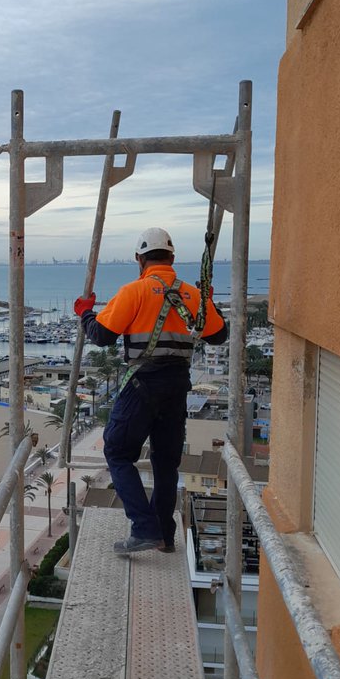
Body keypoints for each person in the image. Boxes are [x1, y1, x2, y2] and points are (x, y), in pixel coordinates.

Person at [73, 227, 228, 556]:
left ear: (139, 259)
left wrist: (85, 312)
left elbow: (101, 335)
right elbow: (218, 335)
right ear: (172, 257)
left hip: (143, 383)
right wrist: (208, 301)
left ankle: (144, 528)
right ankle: (164, 535)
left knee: (117, 451)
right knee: (165, 462)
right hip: (177, 386)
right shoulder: (194, 295)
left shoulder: (134, 291)